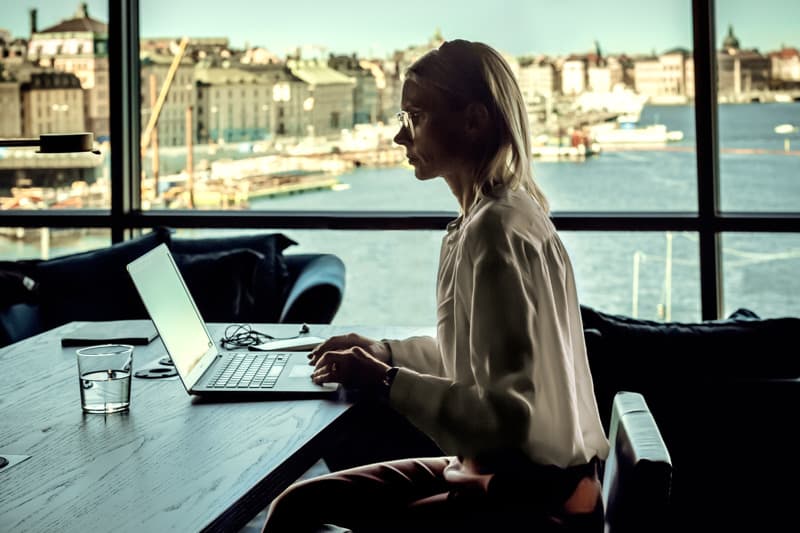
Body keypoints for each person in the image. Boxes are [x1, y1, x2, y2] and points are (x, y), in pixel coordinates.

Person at [263, 39, 610, 533]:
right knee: (297, 507)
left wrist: (384, 380)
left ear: (473, 121)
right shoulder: (497, 216)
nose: (399, 137)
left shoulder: (493, 233)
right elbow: (473, 363)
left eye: (416, 117)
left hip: (528, 496)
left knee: (296, 516)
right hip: (522, 475)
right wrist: (383, 352)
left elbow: (508, 419)